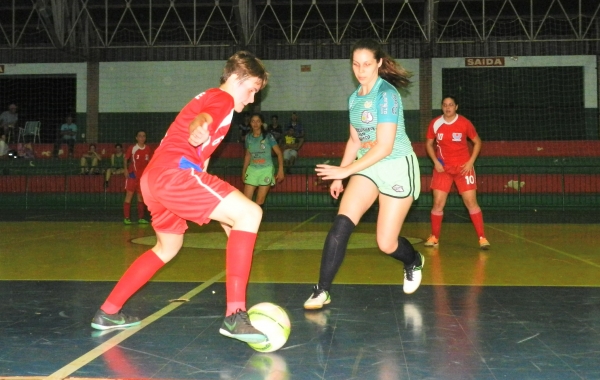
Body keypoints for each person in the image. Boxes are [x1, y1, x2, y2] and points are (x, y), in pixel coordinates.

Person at [91, 50, 270, 345]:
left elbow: (202, 153)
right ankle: (235, 315)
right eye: (251, 90)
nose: (252, 100)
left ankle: (108, 311)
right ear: (236, 78)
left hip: (155, 179)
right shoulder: (223, 99)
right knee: (251, 213)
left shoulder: (211, 99)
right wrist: (197, 128)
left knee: (167, 247)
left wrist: (230, 223)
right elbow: (202, 119)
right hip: (174, 174)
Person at [303, 38, 424, 310]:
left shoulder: (387, 95)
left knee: (386, 242)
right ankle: (322, 290)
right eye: (356, 64)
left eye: (367, 64)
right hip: (367, 167)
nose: (361, 70)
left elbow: (384, 147)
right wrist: (339, 177)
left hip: (395, 167)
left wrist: (345, 169)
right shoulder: (354, 99)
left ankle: (412, 260)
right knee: (341, 225)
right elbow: (355, 141)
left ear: (379, 63)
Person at [424, 96, 490, 250]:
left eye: (451, 105)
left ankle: (482, 238)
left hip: (463, 169)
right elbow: (428, 143)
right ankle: (434, 237)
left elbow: (477, 142)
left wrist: (470, 162)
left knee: (471, 203)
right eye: (445, 105)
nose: (448, 108)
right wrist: (435, 162)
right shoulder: (435, 123)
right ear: (442, 107)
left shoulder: (464, 123)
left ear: (456, 107)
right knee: (438, 203)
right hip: (443, 169)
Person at [242, 113, 284, 207]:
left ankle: (256, 220)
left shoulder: (268, 136)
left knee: (259, 201)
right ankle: (247, 220)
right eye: (253, 121)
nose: (255, 123)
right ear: (250, 123)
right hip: (252, 169)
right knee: (246, 200)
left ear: (261, 123)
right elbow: (248, 155)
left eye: (258, 121)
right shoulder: (248, 137)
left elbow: (279, 153)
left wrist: (281, 170)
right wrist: (243, 171)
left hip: (266, 170)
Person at [123, 130, 152, 225]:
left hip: (142, 177)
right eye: (140, 136)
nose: (142, 138)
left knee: (140, 198)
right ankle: (126, 218)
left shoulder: (148, 149)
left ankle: (141, 218)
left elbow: (150, 163)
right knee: (129, 196)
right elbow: (125, 158)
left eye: (144, 136)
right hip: (132, 176)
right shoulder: (133, 148)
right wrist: (126, 170)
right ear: (136, 138)